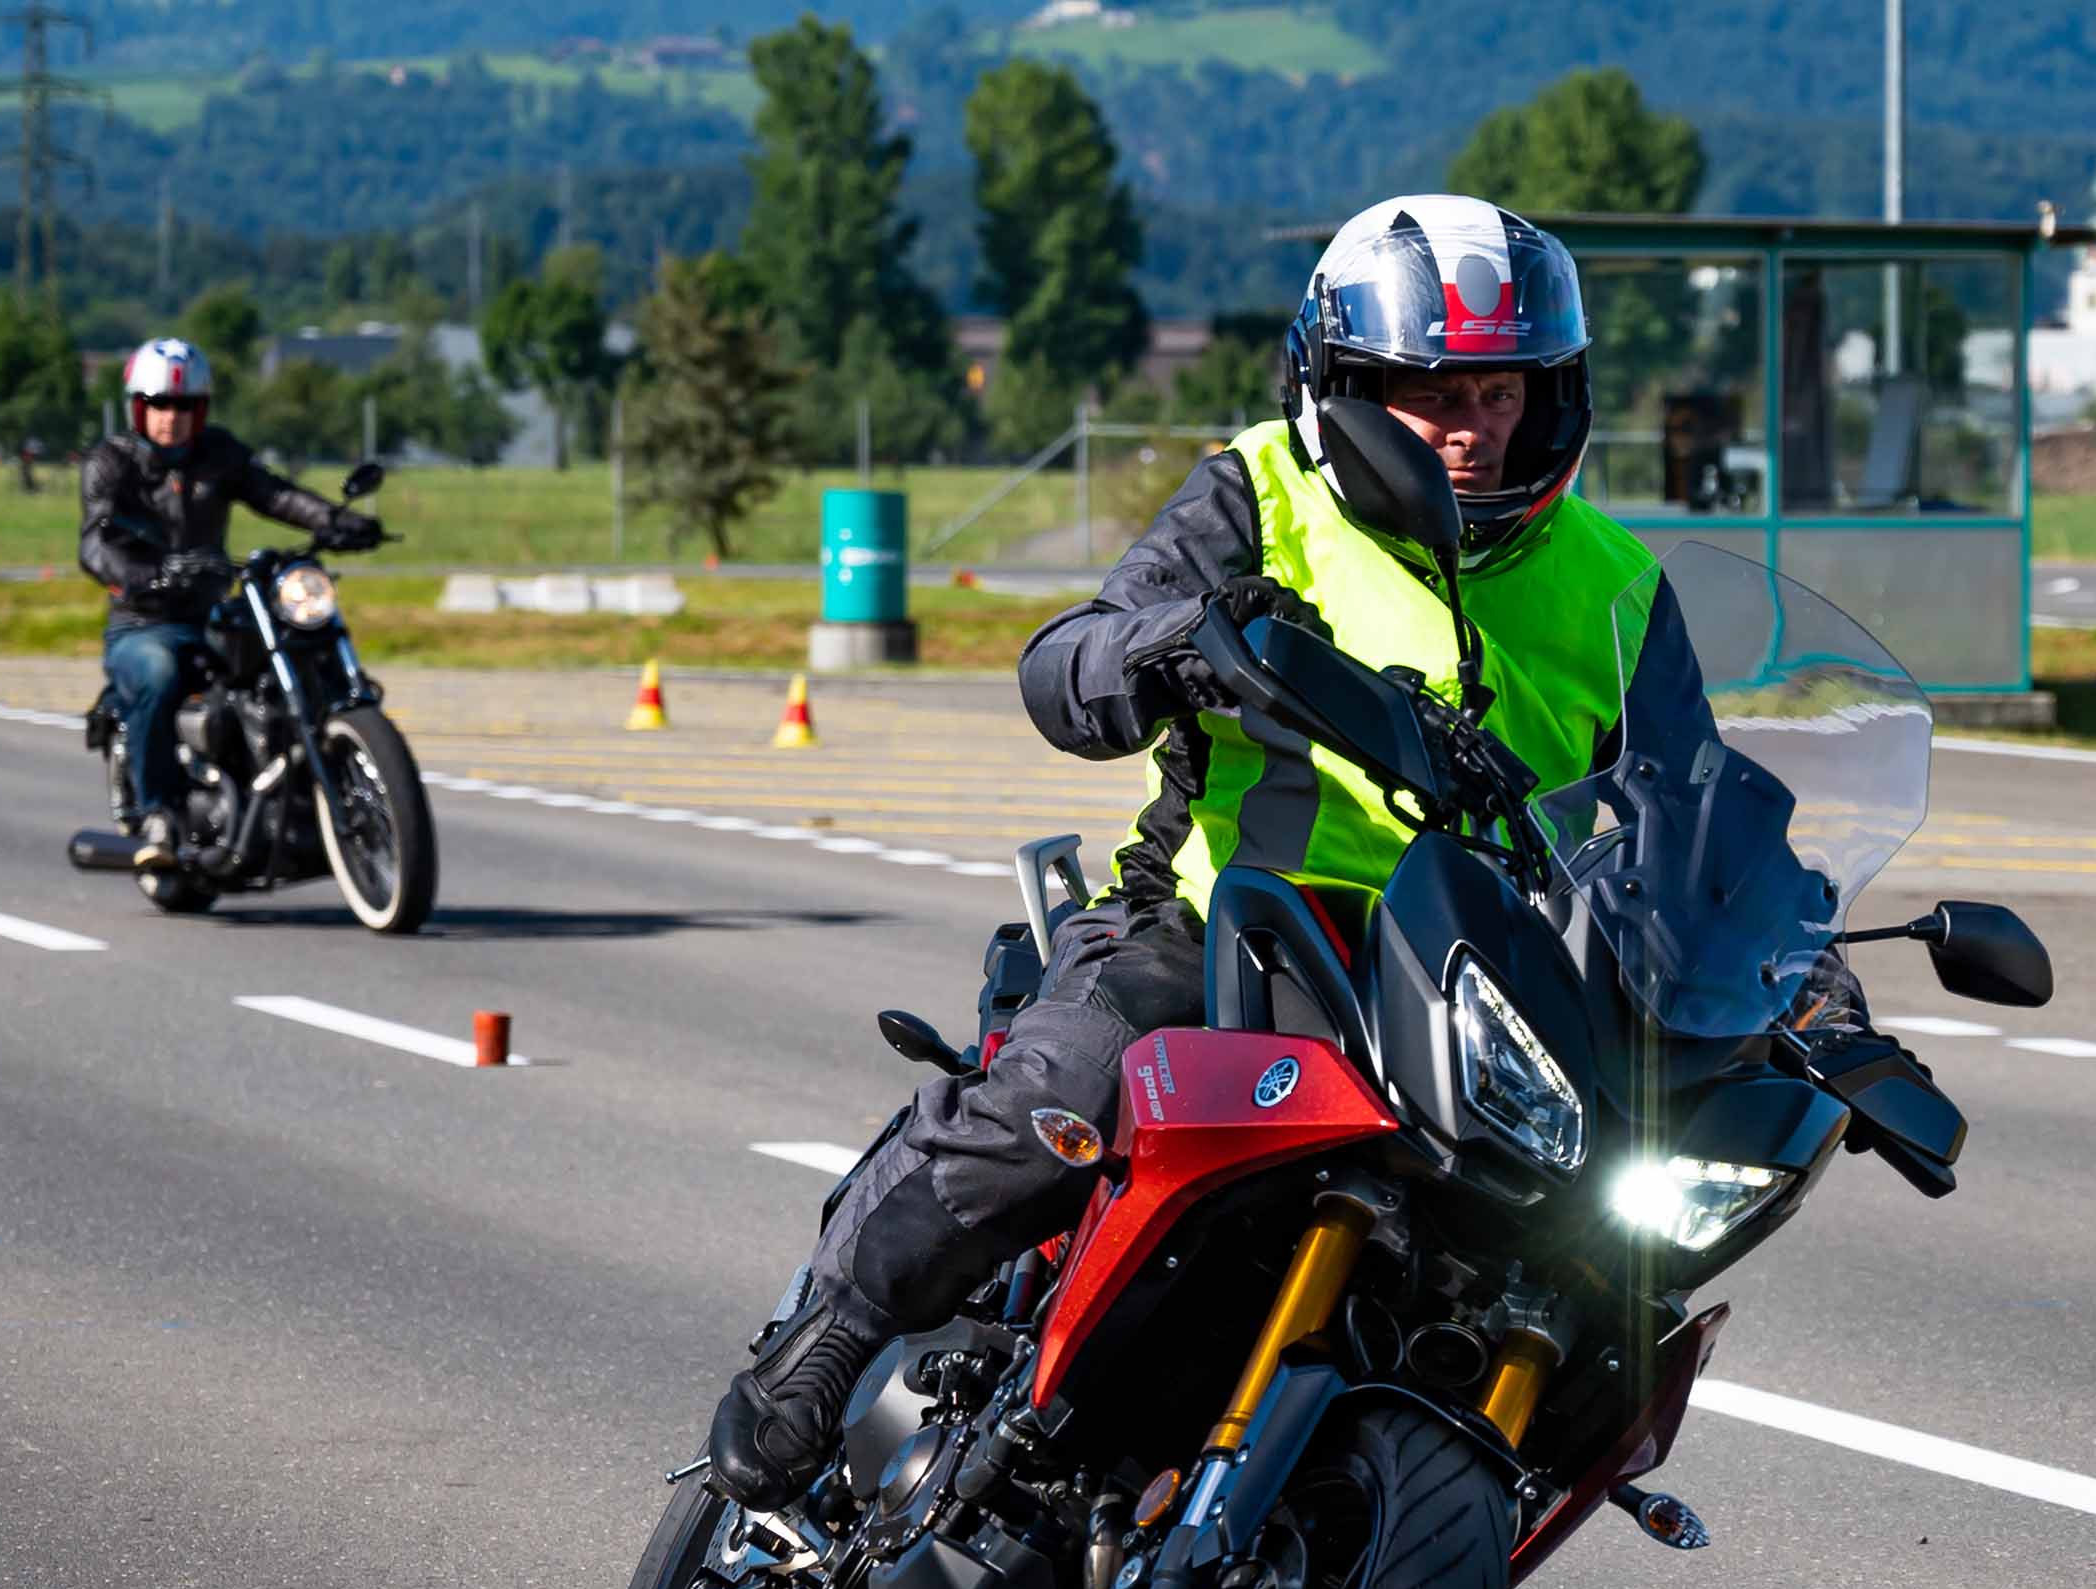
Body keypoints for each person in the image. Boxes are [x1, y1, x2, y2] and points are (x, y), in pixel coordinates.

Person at [708, 194, 1856, 1508]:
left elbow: (1693, 807)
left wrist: (1803, 973)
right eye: (1426, 389)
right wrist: (1168, 644)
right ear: (1339, 384)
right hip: (1225, 929)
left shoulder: (1616, 586)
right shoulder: (1261, 493)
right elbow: (1064, 662)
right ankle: (834, 1331)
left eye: (1503, 390)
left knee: (1590, 1259)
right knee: (1072, 1082)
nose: (1471, 424)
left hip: (1472, 990)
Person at [76, 339, 379, 869]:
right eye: (160, 405)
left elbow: (274, 494)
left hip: (212, 611)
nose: (172, 418)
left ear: (202, 409)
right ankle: (159, 817)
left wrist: (335, 521)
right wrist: (150, 573)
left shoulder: (219, 454)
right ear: (138, 408)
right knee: (160, 672)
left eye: (185, 406)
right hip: (144, 622)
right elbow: (94, 543)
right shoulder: (112, 463)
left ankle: (318, 796)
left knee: (298, 655)